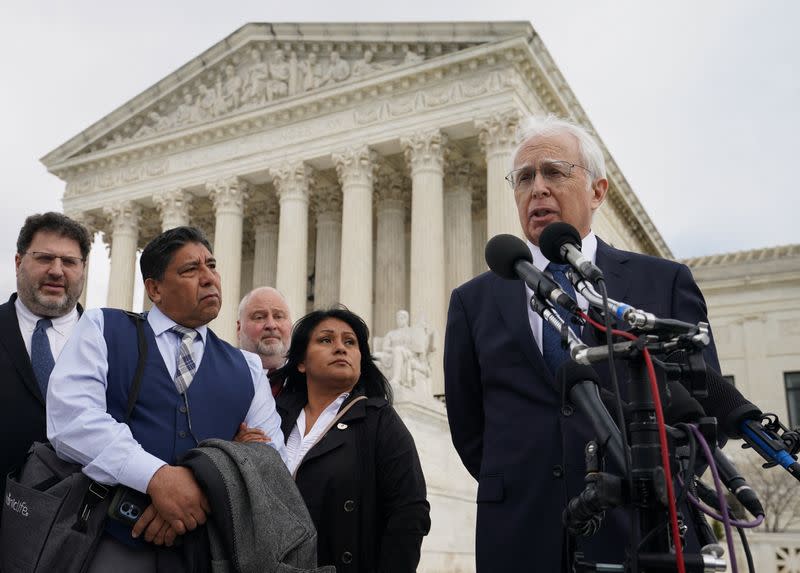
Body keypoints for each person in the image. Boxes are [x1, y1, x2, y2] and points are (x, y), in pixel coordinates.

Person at [443, 115, 729, 571]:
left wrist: (652, 486)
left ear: (598, 191)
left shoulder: (664, 283)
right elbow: (469, 425)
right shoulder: (472, 301)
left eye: (554, 172)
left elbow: (704, 407)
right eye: (523, 178)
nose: (537, 188)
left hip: (644, 530)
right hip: (520, 533)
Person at [47, 226, 286, 570]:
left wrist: (200, 489)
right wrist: (156, 477)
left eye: (211, 265)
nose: (209, 278)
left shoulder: (246, 367)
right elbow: (71, 419)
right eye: (190, 269)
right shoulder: (103, 327)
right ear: (155, 289)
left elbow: (270, 456)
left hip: (207, 551)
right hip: (111, 539)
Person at [274, 308, 431, 572]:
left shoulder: (378, 420)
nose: (340, 348)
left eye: (350, 342)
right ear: (301, 362)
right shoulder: (275, 416)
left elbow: (409, 511)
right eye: (326, 340)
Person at [0, 212, 91, 503]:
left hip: (82, 527)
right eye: (44, 258)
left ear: (83, 268)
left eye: (69, 261)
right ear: (18, 263)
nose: (56, 270)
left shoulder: (114, 344)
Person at [237, 286, 292, 396]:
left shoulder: (310, 384)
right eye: (259, 317)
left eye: (278, 316)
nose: (271, 325)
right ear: (239, 329)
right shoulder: (219, 378)